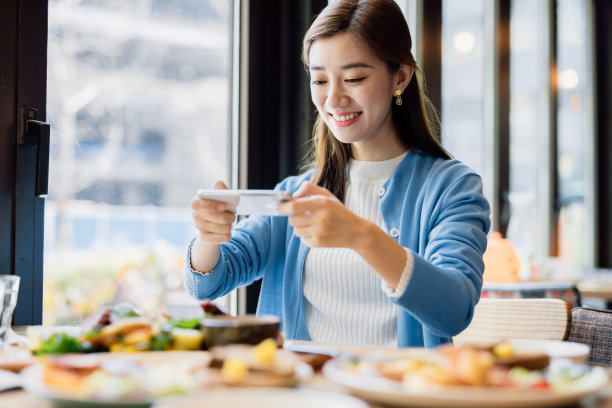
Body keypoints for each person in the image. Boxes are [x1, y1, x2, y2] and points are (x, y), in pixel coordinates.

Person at [185, 0, 490, 348]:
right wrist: (209, 234)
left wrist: (362, 236)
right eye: (319, 80)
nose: (333, 99)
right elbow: (206, 283)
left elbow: (454, 310)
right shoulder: (298, 193)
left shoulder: (451, 188)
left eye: (354, 78)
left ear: (400, 78)